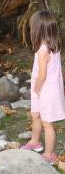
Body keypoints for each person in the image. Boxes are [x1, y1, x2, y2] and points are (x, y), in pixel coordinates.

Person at [21, 10, 65, 164]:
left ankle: (49, 154)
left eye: (32, 27)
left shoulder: (43, 51)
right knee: (35, 114)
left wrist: (37, 88)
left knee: (47, 123)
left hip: (45, 90)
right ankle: (34, 141)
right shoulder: (52, 45)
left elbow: (42, 75)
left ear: (38, 29)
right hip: (43, 89)